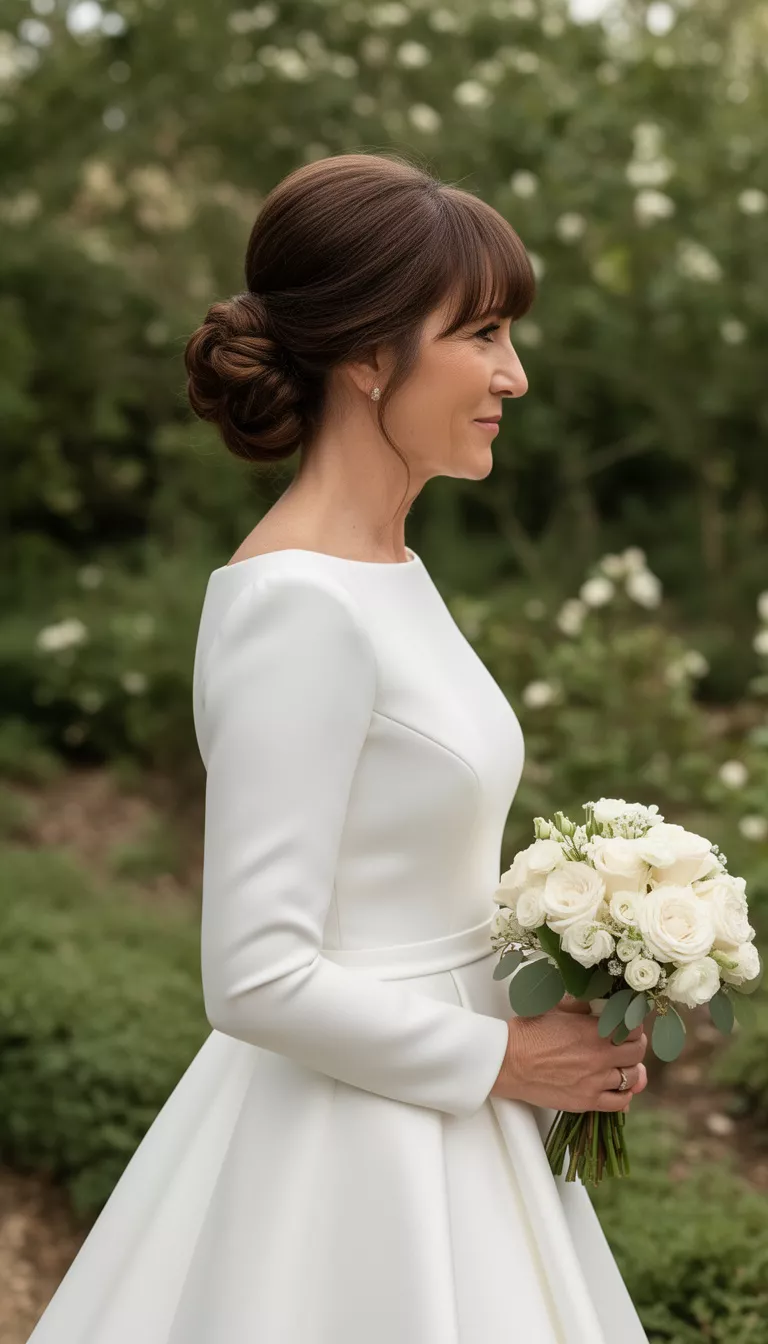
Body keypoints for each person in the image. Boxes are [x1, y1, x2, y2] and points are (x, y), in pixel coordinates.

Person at [26, 151, 649, 1343]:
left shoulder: (395, 571)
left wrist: (581, 967)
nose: (513, 374)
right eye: (481, 333)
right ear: (369, 357)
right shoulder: (297, 605)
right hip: (359, 1155)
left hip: (466, 1123)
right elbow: (255, 974)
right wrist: (507, 1063)